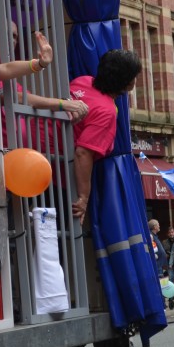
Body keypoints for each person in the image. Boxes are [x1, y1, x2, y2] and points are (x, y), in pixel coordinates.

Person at [69, 49, 142, 223]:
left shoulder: (83, 81)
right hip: (58, 172)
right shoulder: (106, 111)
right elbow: (83, 153)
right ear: (125, 82)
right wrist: (83, 198)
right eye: (134, 76)